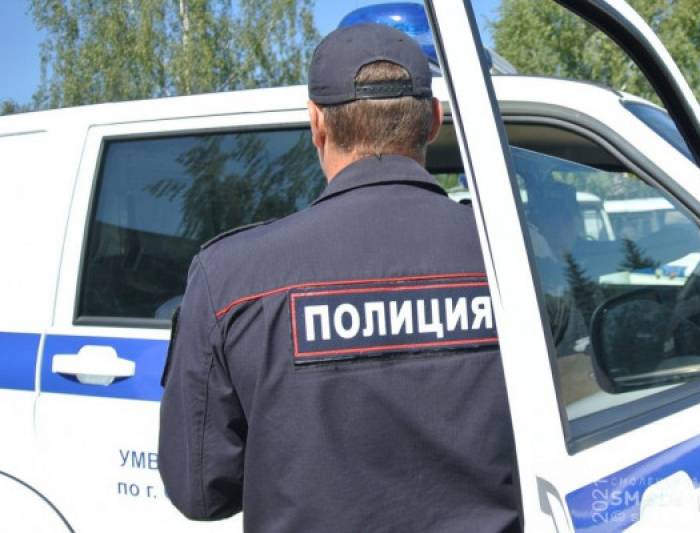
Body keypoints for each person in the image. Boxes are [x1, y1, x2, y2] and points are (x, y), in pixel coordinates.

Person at [159, 23, 520, 533]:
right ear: (434, 120)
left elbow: (200, 492)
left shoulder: (230, 277)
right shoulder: (515, 257)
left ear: (317, 123)